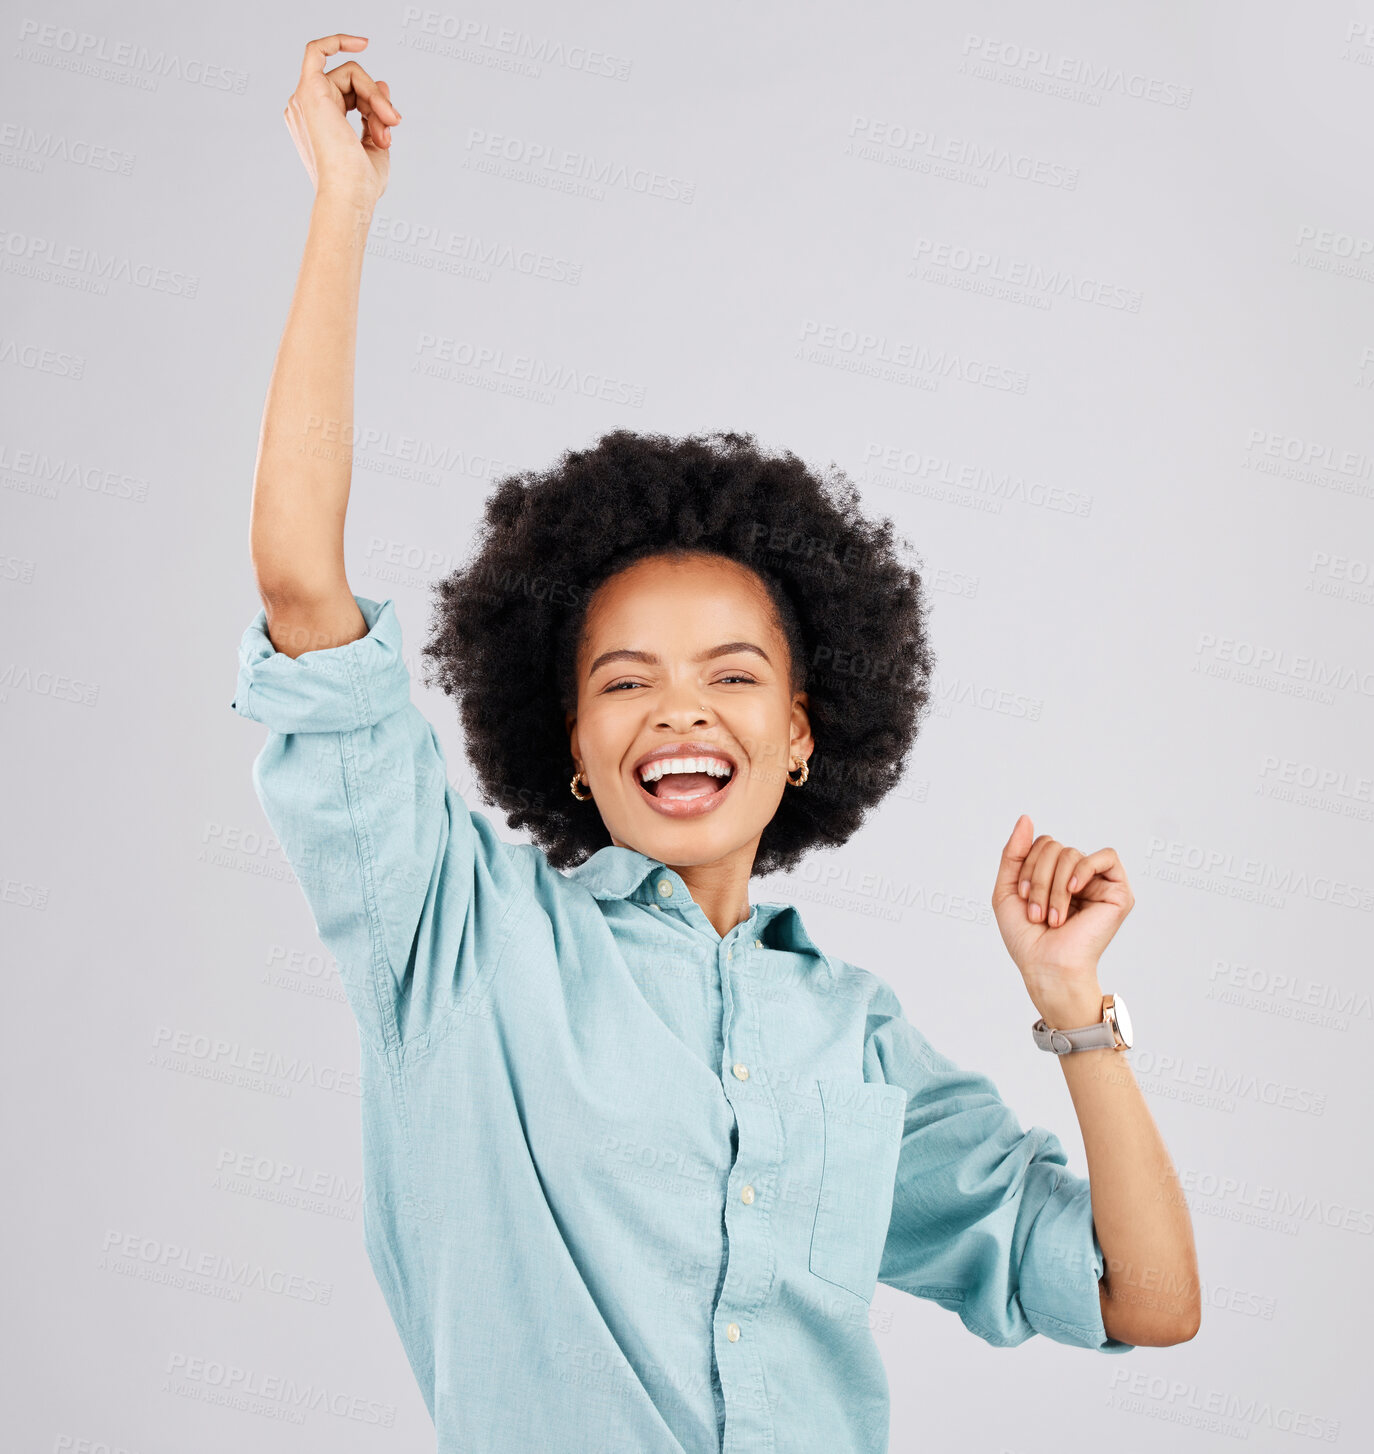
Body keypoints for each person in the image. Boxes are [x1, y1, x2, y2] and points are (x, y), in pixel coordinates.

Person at [231, 32, 1201, 1454]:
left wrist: (1070, 1003)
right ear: (566, 741)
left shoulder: (853, 1038)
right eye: (624, 683)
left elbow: (1146, 1296)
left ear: (801, 733)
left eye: (731, 675)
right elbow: (303, 592)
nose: (679, 710)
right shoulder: (455, 942)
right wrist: (340, 208)